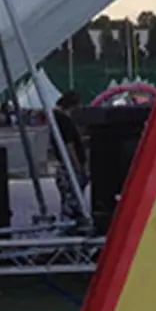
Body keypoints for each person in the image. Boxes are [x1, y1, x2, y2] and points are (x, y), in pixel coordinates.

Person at [51, 92, 89, 225]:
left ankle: (68, 221)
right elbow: (69, 144)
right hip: (69, 166)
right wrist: (77, 165)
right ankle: (72, 223)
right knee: (73, 196)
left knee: (67, 197)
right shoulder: (65, 121)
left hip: (63, 164)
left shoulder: (56, 119)